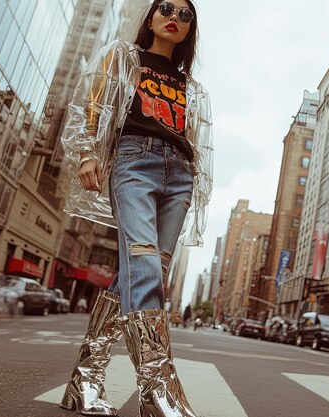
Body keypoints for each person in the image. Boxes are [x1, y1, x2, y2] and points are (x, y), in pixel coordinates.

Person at [60, 2, 212, 416]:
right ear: (150, 17)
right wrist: (86, 153)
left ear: (189, 30)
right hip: (134, 163)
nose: (174, 18)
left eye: (185, 15)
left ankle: (84, 381)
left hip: (179, 174)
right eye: (166, 8)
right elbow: (87, 105)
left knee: (140, 273)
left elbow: (195, 137)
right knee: (144, 268)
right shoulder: (123, 57)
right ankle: (158, 390)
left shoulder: (189, 84)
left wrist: (194, 182)